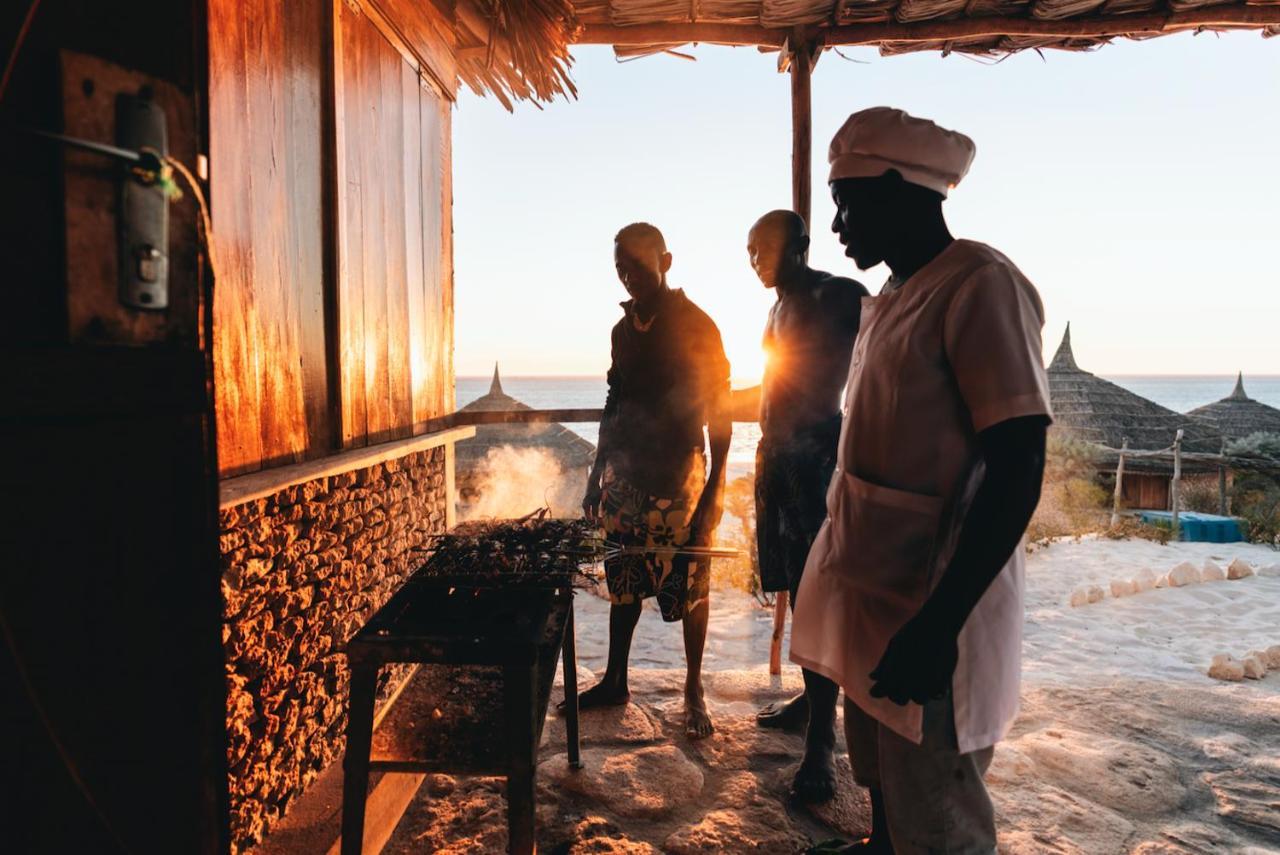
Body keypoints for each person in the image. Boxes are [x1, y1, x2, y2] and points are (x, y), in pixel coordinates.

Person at [789, 108, 1051, 853]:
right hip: (872, 592)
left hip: (934, 603)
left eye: (848, 200)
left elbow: (1018, 462)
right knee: (879, 771)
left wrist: (940, 622)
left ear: (901, 189)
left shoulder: (979, 285)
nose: (836, 224)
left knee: (936, 804)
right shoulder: (891, 298)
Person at [573, 222, 731, 739]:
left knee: (689, 583)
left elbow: (721, 415)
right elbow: (614, 402)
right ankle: (616, 679)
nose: (628, 277)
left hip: (679, 478)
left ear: (666, 260)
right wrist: (598, 474)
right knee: (623, 579)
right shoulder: (622, 331)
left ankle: (693, 687)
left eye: (637, 266)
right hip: (626, 477)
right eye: (620, 269)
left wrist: (713, 492)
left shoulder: (696, 325)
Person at [746, 209, 868, 803]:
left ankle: (823, 739)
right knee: (796, 590)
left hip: (818, 462)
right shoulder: (775, 309)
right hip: (776, 461)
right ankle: (810, 699)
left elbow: (883, 359)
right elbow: (773, 388)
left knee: (819, 594)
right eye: (748, 252)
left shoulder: (838, 294)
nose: (756, 260)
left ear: (799, 245)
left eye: (764, 248)